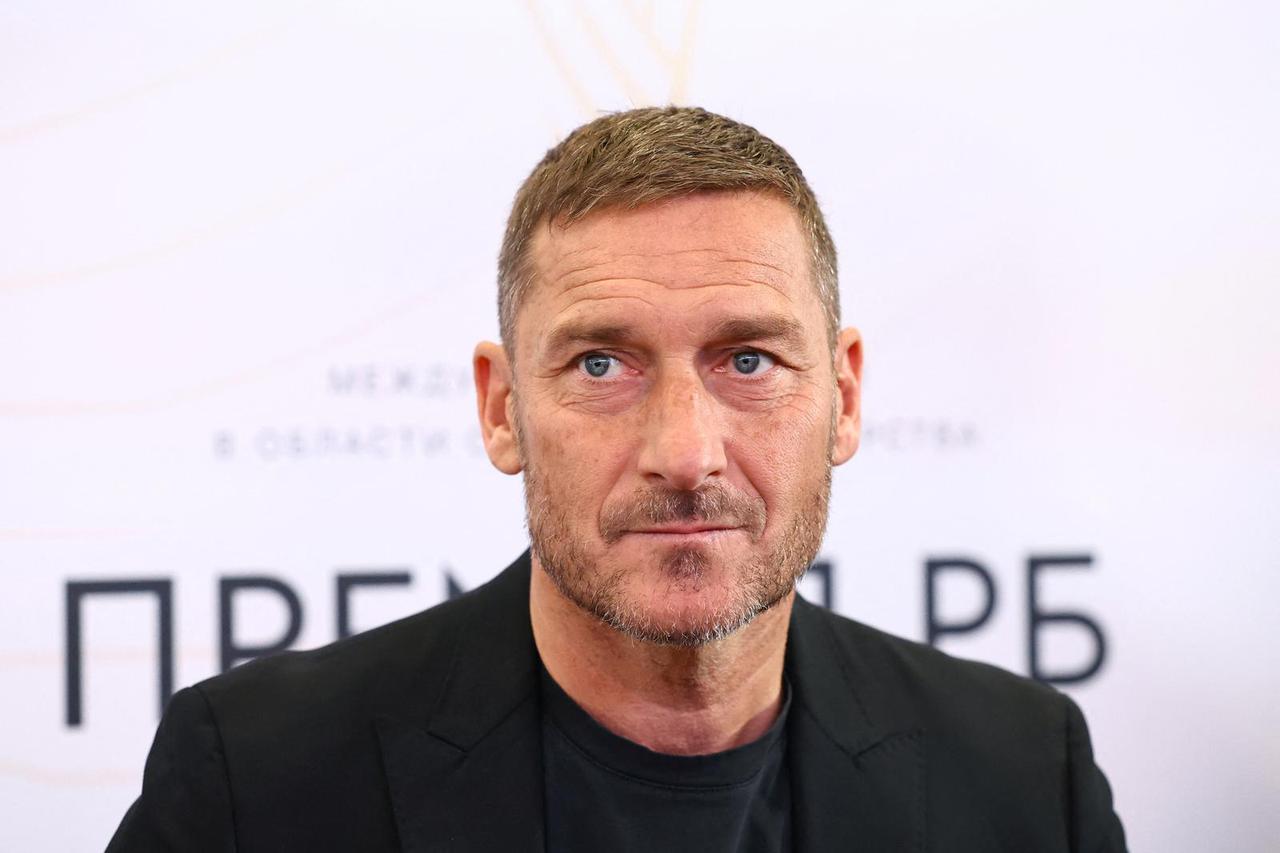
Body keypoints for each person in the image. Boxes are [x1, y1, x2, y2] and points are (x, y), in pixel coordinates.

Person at [108, 107, 1127, 852]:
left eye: (748, 360)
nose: (684, 453)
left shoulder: (1025, 776)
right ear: (501, 408)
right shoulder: (254, 782)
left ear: (845, 397)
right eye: (601, 364)